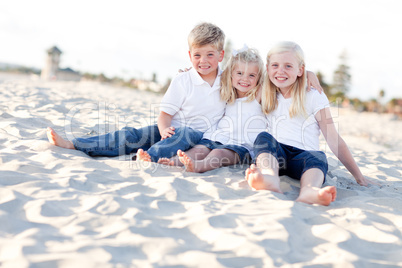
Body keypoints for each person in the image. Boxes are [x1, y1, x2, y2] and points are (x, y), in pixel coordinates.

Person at [47, 22, 227, 161]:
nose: (203, 60)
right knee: (132, 135)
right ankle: (74, 144)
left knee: (185, 133)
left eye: (210, 54)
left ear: (221, 55)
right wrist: (164, 131)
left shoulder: (227, 81)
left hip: (202, 139)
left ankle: (150, 157)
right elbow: (164, 115)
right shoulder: (183, 80)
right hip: (171, 131)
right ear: (190, 56)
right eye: (197, 55)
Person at [245, 41, 374, 206]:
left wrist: (359, 177)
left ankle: (309, 191)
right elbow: (238, 77)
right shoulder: (267, 92)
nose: (280, 71)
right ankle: (270, 178)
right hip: (276, 157)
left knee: (318, 156)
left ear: (300, 70)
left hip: (304, 159)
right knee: (264, 138)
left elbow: (333, 139)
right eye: (275, 65)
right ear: (268, 68)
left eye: (288, 66)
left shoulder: (314, 95)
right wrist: (306, 72)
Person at [156, 47, 267, 173]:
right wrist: (189, 73)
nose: (245, 79)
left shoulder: (258, 94)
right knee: (198, 150)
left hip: (241, 146)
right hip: (217, 137)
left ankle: (199, 166)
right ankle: (173, 162)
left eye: (252, 75)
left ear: (259, 78)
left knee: (218, 154)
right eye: (240, 73)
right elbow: (209, 75)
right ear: (231, 74)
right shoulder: (227, 92)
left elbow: (272, 80)